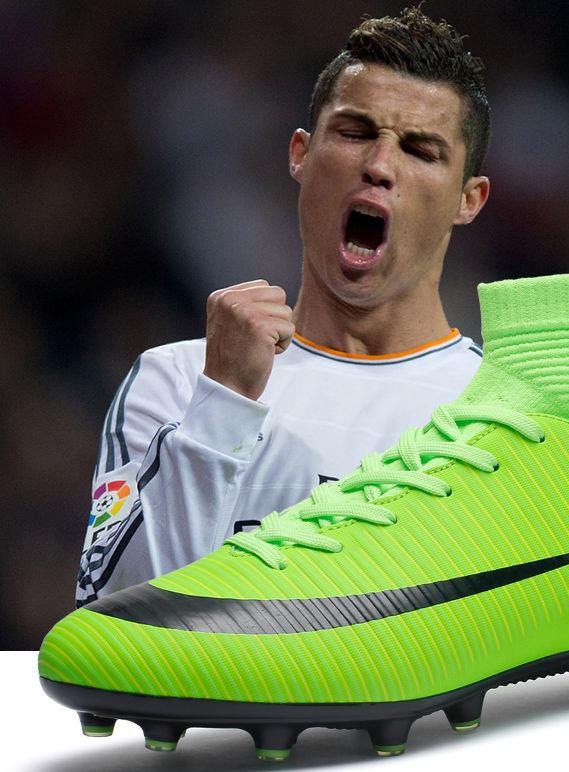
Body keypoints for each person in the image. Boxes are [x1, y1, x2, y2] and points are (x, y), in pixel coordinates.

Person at [75, 7, 492, 606]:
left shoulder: (496, 410)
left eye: (421, 151)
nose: (379, 166)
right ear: (301, 153)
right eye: (355, 133)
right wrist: (222, 404)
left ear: (468, 200)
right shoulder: (176, 382)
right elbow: (117, 618)